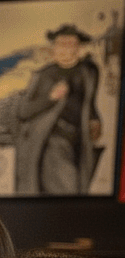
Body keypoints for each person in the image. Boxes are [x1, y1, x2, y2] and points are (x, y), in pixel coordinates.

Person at [15, 23, 104, 195]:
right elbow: (23, 111)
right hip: (53, 140)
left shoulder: (88, 72)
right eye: (59, 44)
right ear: (53, 48)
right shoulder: (44, 75)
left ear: (78, 48)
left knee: (79, 187)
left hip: (80, 141)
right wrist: (50, 98)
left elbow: (90, 103)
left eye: (69, 44)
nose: (63, 49)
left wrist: (95, 120)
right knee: (66, 187)